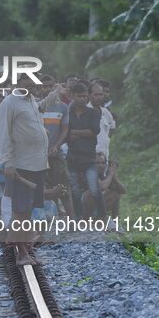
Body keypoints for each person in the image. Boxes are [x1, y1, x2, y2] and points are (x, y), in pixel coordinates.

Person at [0, 74, 65, 265]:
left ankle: (27, 248)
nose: (31, 88)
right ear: (17, 84)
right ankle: (21, 253)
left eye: (33, 85)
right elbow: (4, 134)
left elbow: (42, 106)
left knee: (30, 211)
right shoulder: (9, 103)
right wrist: (7, 163)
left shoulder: (31, 102)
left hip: (38, 164)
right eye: (26, 84)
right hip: (21, 165)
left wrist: (55, 93)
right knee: (20, 211)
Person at [66, 82, 105, 220]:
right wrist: (83, 133)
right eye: (79, 96)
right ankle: (79, 217)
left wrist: (75, 132)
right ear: (72, 96)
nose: (82, 99)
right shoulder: (67, 113)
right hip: (73, 157)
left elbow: (94, 130)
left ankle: (102, 217)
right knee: (75, 190)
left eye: (84, 96)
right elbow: (65, 134)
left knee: (94, 189)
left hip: (88, 157)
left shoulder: (93, 113)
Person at [40, 74, 75, 218]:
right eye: (44, 86)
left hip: (55, 152)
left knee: (63, 185)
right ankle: (49, 219)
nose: (47, 89)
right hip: (37, 154)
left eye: (50, 86)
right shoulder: (35, 105)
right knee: (44, 187)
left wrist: (56, 145)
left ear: (55, 86)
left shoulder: (63, 107)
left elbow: (64, 129)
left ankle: (72, 219)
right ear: (39, 88)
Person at [83, 153, 126, 219]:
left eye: (103, 163)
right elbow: (102, 187)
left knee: (116, 193)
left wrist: (114, 178)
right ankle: (88, 220)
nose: (100, 165)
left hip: (96, 210)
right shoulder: (89, 174)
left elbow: (123, 190)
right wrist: (111, 174)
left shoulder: (105, 177)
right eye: (97, 163)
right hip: (82, 210)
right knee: (91, 193)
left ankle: (115, 222)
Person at [88, 82, 116, 161]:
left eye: (101, 94)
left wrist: (107, 139)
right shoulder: (85, 111)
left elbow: (112, 126)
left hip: (104, 154)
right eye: (96, 95)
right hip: (90, 156)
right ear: (89, 96)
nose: (99, 97)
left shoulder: (106, 112)